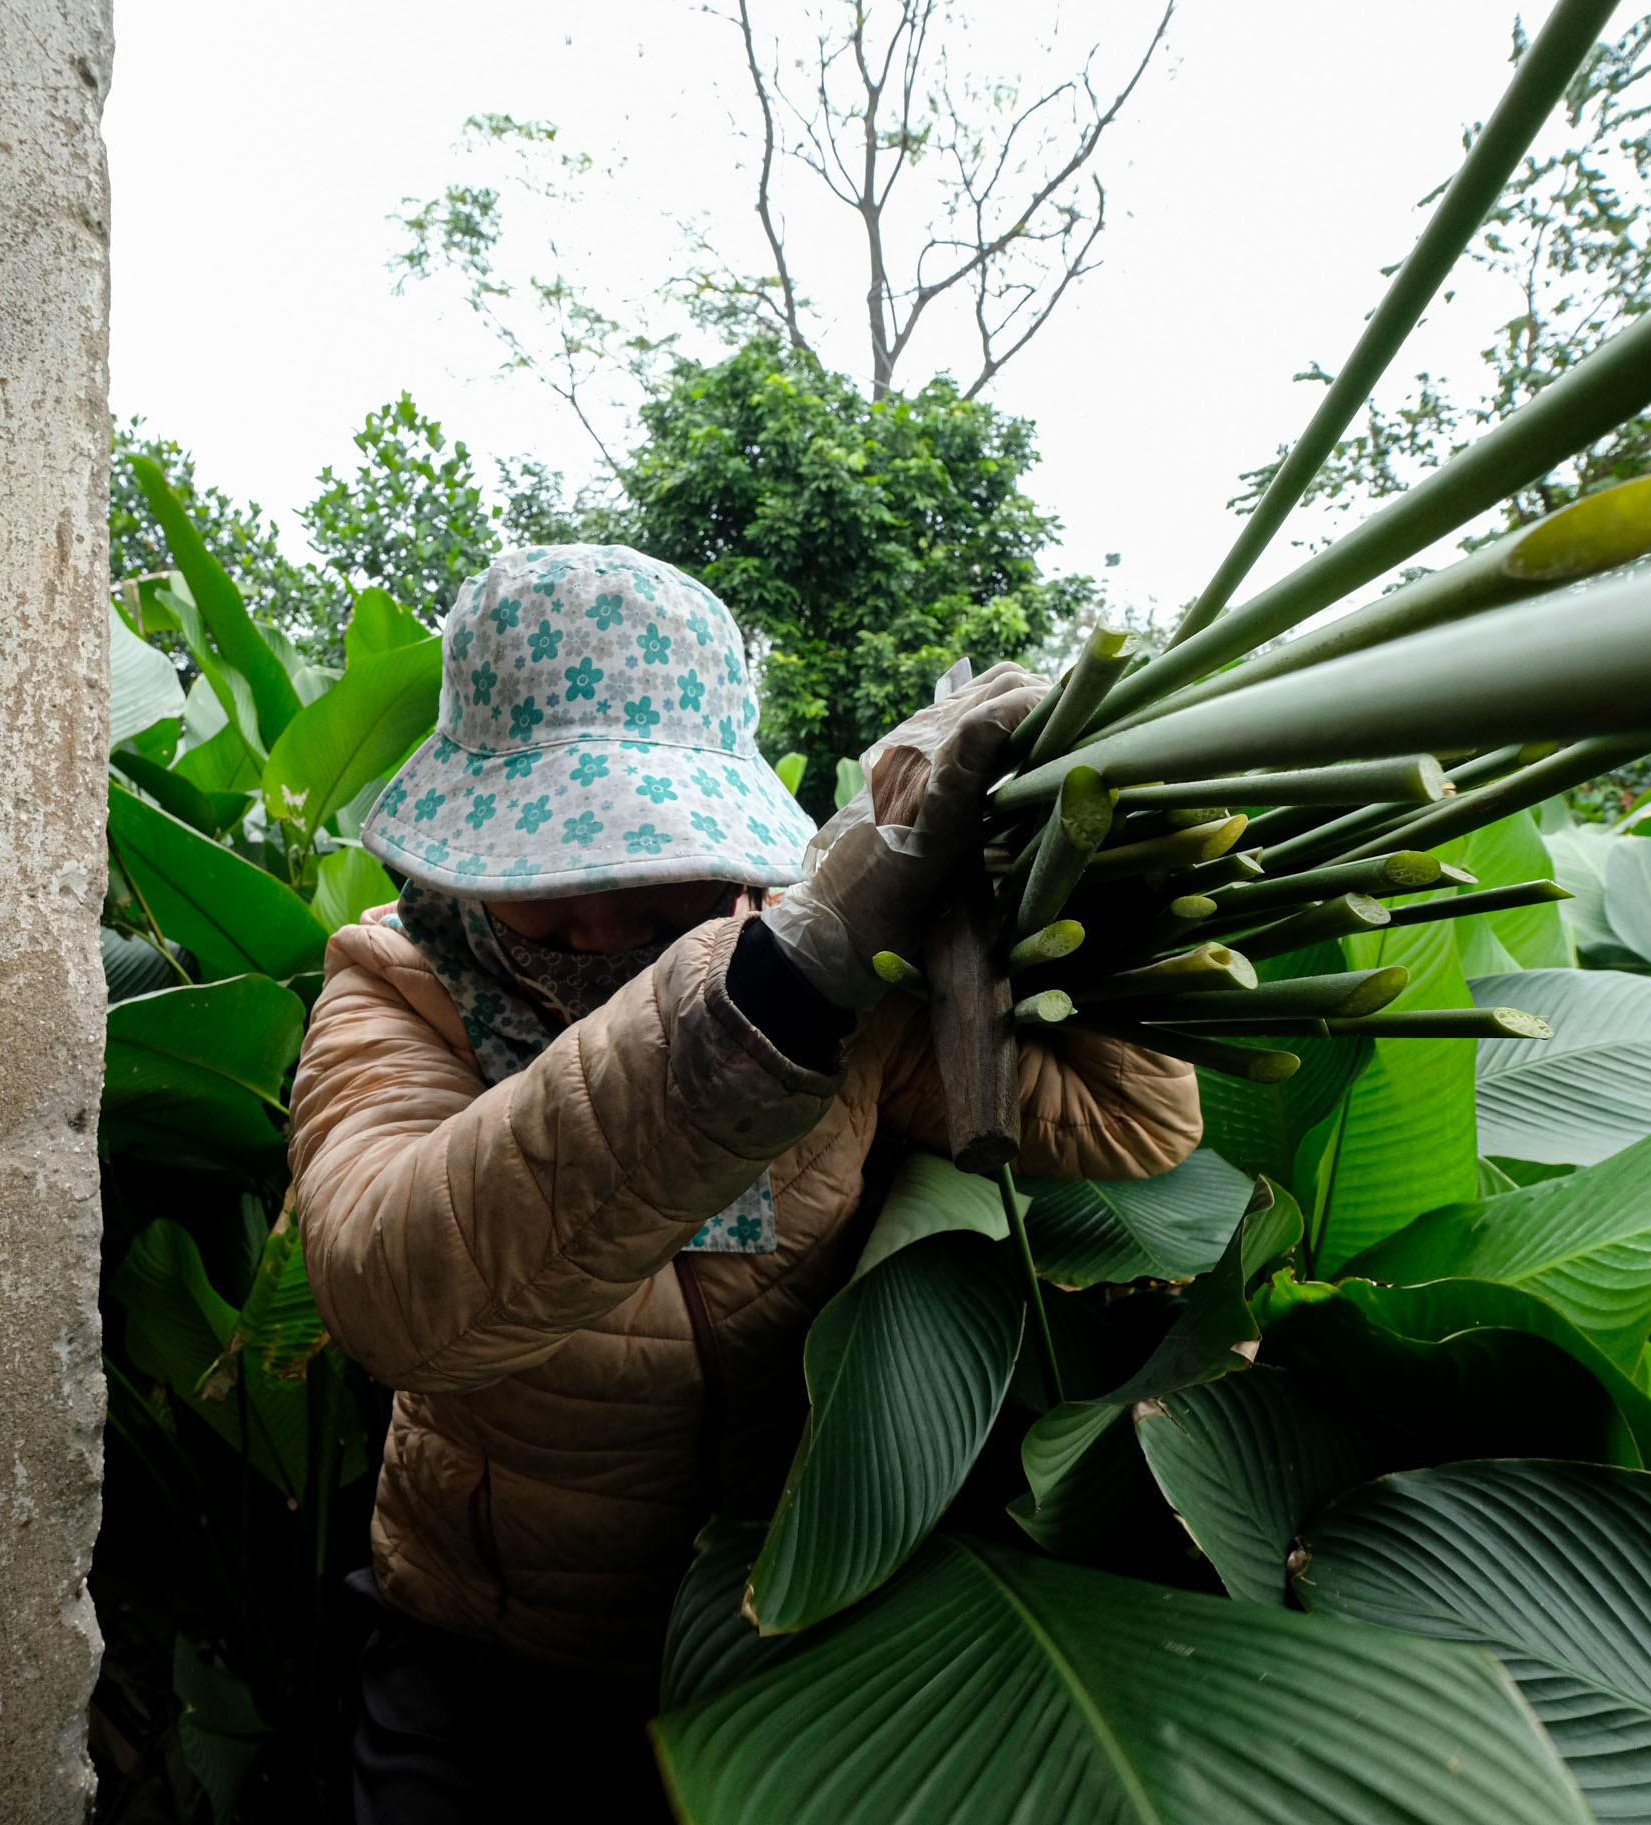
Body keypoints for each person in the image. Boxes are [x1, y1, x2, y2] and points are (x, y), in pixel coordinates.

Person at [290, 545, 1203, 1823]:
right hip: (485, 1651)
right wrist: (765, 995)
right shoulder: (400, 986)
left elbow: (1126, 1122)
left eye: (641, 861)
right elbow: (392, 1291)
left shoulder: (847, 981)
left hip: (777, 1634)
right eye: (553, 872)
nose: (600, 920)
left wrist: (1053, 887)